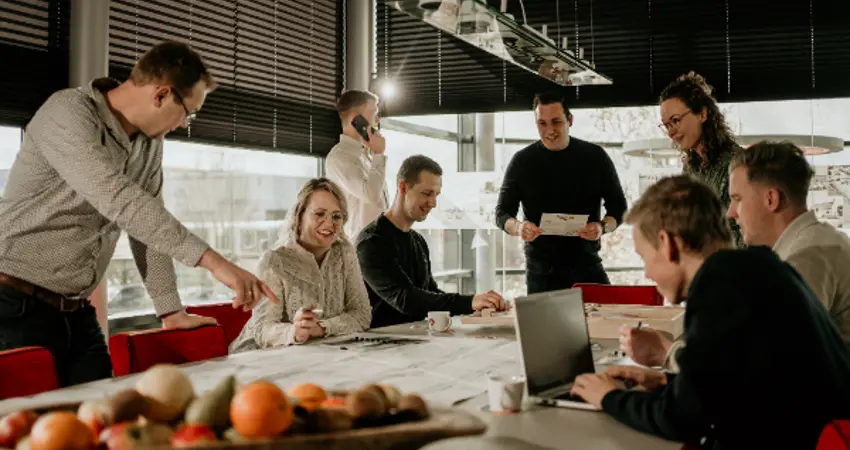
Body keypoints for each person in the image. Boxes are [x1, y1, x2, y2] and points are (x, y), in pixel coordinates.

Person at [0, 42, 278, 387]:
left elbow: (149, 224)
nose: (183, 125)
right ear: (161, 94)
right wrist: (216, 263)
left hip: (76, 313)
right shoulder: (69, 113)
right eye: (188, 113)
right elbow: (119, 199)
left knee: (100, 420)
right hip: (11, 307)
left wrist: (171, 311)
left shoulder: (148, 146)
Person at [570, 175, 850, 449]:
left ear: (667, 244)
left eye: (644, 257)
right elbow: (734, 385)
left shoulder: (719, 282)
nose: (647, 272)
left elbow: (682, 418)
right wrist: (667, 381)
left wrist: (607, 397)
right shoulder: (760, 267)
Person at [621, 141, 850, 367]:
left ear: (771, 199)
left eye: (737, 199)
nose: (730, 213)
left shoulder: (807, 257)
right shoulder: (811, 246)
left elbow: (763, 364)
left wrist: (666, 354)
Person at [495, 92, 627, 294]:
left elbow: (619, 208)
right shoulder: (522, 161)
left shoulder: (595, 157)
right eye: (542, 123)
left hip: (587, 264)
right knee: (545, 327)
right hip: (541, 272)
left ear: (570, 120)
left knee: (607, 321)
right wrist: (519, 227)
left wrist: (601, 227)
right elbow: (502, 214)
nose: (550, 131)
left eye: (556, 122)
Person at [357, 155, 506, 328]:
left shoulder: (418, 240)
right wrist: (469, 302)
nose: (433, 203)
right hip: (381, 345)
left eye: (436, 195)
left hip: (415, 338)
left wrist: (477, 306)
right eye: (427, 194)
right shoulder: (372, 242)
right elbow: (406, 299)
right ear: (403, 187)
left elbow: (430, 293)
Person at [230, 178, 371, 351]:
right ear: (300, 215)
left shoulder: (345, 253)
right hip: (258, 356)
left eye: (336, 216)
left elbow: (362, 315)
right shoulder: (274, 261)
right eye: (319, 214)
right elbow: (262, 330)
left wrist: (322, 328)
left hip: (320, 354)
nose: (329, 223)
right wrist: (294, 331)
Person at [659, 71, 743, 247]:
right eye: (667, 125)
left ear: (702, 114)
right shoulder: (690, 168)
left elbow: (747, 236)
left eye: (676, 120)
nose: (671, 131)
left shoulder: (739, 164)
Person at [325, 90, 389, 239]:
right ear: (356, 119)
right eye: (374, 113)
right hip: (360, 248)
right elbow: (371, 195)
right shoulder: (340, 157)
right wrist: (379, 154)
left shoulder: (365, 157)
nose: (377, 120)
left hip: (378, 243)